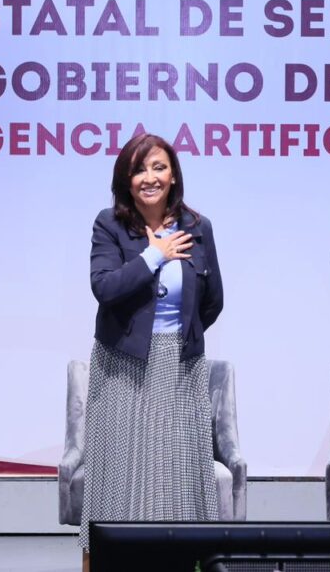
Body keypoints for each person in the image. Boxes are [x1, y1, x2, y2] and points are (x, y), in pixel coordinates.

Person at [80, 133, 223, 550]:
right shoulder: (109, 224)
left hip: (180, 363)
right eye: (139, 169)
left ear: (173, 175)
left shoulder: (198, 227)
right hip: (122, 363)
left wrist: (182, 337)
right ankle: (117, 557)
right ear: (126, 180)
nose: (150, 178)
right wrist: (154, 255)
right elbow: (105, 288)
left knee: (176, 472)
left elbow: (212, 301)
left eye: (159, 167)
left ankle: (180, 557)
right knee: (124, 472)